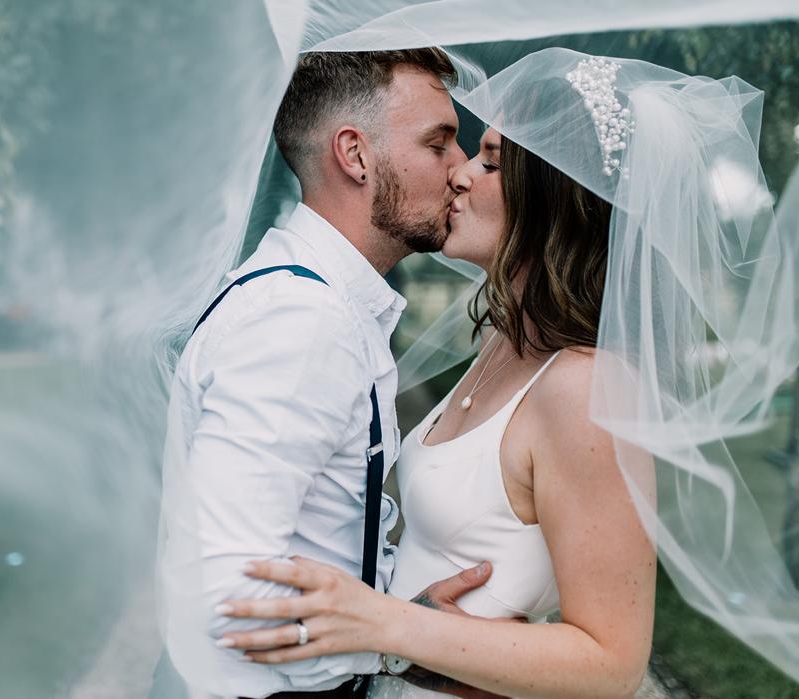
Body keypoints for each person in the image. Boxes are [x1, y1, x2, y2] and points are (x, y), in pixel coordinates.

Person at [215, 48, 798, 697]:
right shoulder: (504, 344)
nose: (460, 174)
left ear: (551, 194)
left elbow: (613, 662)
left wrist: (386, 623)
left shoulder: (586, 386)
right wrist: (394, 636)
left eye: (491, 160)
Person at [157, 48, 491, 699]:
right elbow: (229, 593)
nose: (461, 172)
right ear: (355, 154)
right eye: (439, 142)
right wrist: (402, 640)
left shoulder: (323, 305)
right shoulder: (300, 322)